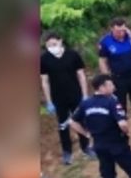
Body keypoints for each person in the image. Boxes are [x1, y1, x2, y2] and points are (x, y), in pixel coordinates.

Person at [39, 31, 92, 166]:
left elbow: (81, 75)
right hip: (58, 97)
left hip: (75, 95)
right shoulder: (44, 59)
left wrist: (85, 95)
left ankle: (85, 147)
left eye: (54, 44)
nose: (52, 47)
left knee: (80, 121)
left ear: (60, 41)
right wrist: (49, 101)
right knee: (63, 125)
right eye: (49, 45)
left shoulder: (72, 55)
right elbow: (44, 81)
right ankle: (67, 152)